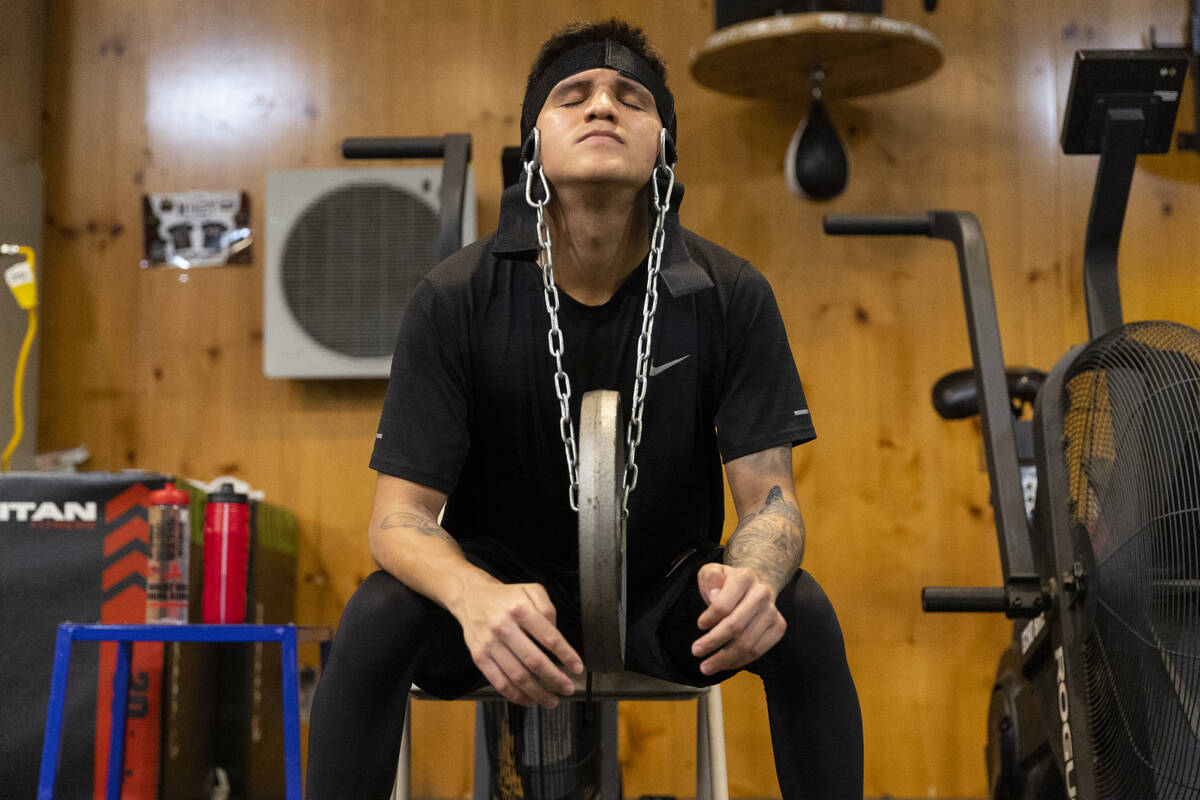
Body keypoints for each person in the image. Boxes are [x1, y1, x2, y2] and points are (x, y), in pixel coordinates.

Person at [306, 18, 863, 799]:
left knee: (800, 610)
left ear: (662, 142)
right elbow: (396, 520)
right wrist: (474, 596)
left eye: (630, 98)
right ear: (535, 141)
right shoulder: (454, 299)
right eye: (575, 95)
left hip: (666, 593)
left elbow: (771, 500)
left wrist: (755, 579)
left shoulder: (730, 294)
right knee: (377, 612)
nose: (603, 106)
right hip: (496, 591)